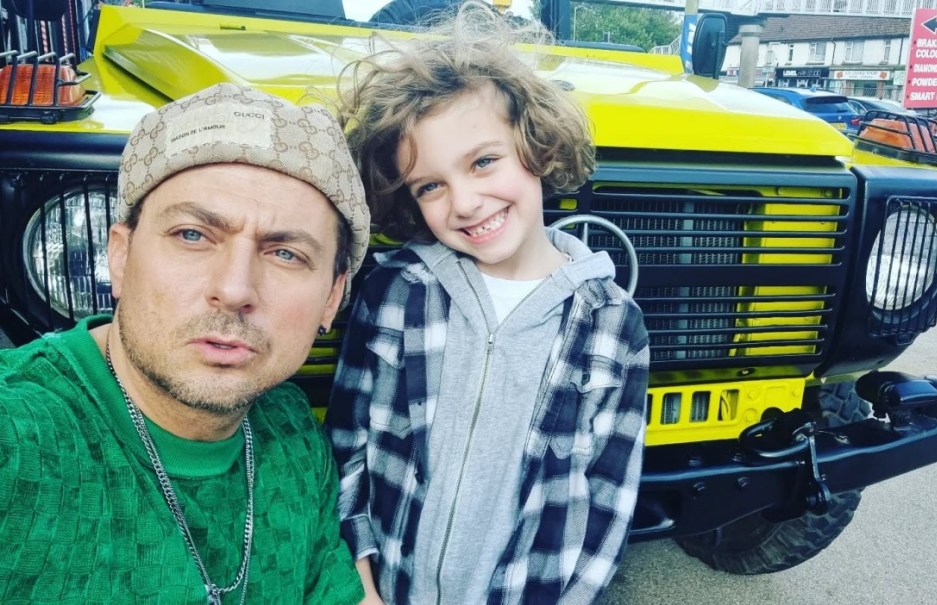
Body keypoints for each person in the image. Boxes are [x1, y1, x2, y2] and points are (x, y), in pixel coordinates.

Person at [326, 3, 650, 603]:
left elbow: (609, 496)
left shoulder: (612, 323)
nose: (466, 202)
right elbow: (347, 449)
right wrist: (360, 582)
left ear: (538, 147)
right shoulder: (397, 293)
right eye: (431, 186)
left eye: (483, 162)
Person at [0, 83, 369, 604]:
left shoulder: (292, 433)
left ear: (332, 298)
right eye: (192, 235)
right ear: (121, 257)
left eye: (285, 253)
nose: (236, 289)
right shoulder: (17, 436)